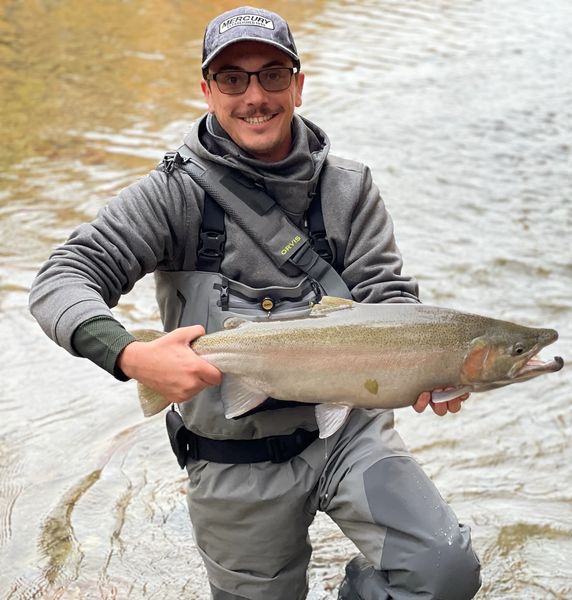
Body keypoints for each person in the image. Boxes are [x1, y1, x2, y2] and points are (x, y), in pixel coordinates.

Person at [29, 6, 481, 599]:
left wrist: (431, 365)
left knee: (443, 571)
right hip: (231, 454)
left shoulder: (349, 187)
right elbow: (60, 279)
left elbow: (387, 297)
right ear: (207, 89)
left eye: (272, 75)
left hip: (348, 435)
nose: (255, 97)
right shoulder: (171, 197)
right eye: (232, 79)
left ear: (298, 83)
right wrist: (132, 358)